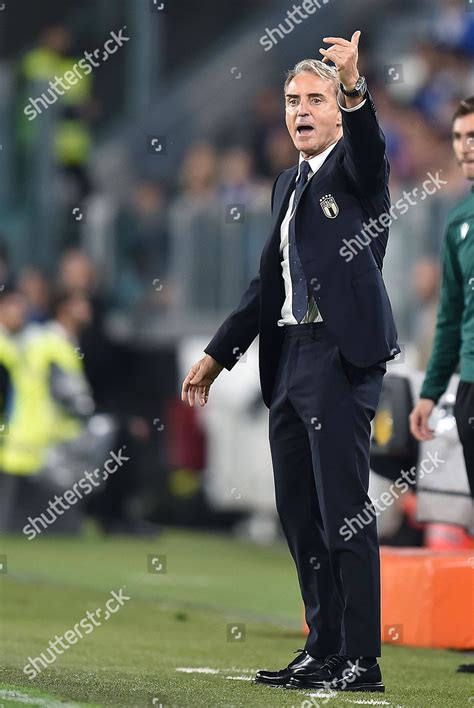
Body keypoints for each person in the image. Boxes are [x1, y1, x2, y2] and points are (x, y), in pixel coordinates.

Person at [182, 32, 399, 693]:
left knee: (344, 514)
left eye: (315, 98)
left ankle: (362, 659)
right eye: (290, 99)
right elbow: (266, 286)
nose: (300, 109)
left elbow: (370, 146)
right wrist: (221, 352)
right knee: (300, 516)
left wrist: (356, 82)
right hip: (290, 358)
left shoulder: (358, 173)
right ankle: (323, 647)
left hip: (339, 357)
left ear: (338, 109)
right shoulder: (286, 184)